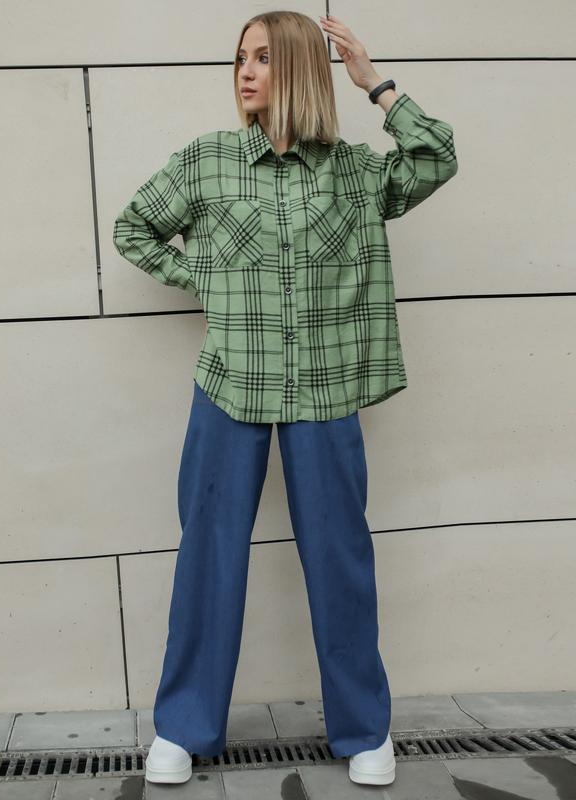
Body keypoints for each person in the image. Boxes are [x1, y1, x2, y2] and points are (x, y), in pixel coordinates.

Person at [113, 10, 458, 788]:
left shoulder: (354, 173)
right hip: (229, 384)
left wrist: (376, 84)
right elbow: (133, 228)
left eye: (264, 57)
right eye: (241, 57)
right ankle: (183, 727)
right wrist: (203, 280)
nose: (245, 71)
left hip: (325, 391)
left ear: (300, 68)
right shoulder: (207, 163)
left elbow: (437, 156)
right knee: (209, 555)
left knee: (340, 557)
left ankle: (364, 729)